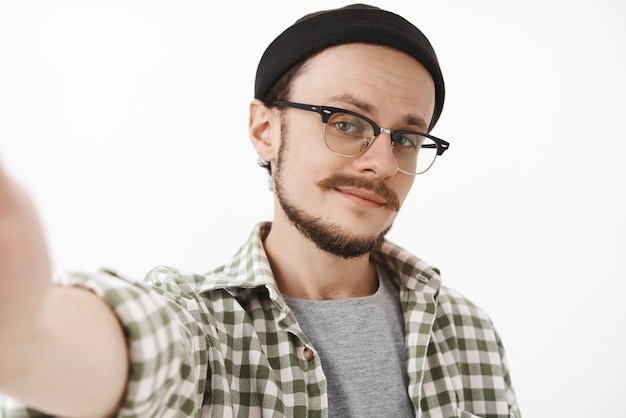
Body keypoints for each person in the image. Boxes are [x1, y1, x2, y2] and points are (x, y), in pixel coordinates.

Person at [0, 4, 521, 418]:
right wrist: (27, 338)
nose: (382, 164)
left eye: (407, 137)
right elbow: (137, 347)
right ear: (265, 131)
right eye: (345, 122)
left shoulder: (465, 329)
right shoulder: (200, 324)